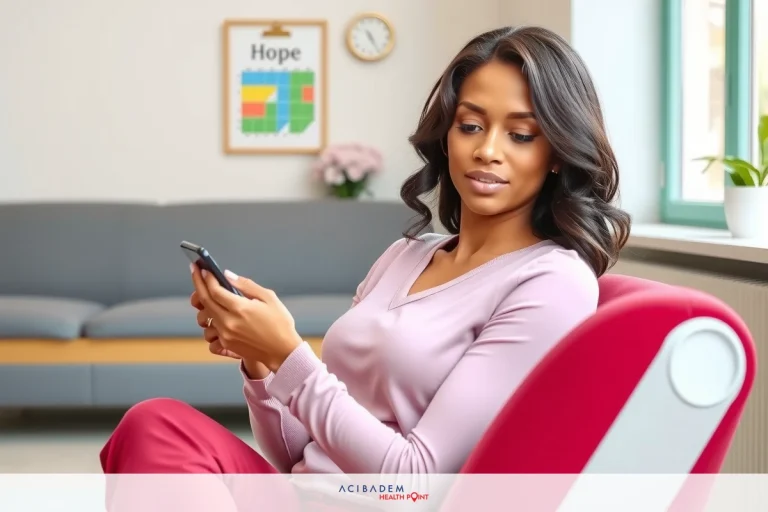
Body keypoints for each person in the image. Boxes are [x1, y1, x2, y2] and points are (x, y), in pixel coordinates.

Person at [101, 25, 630, 482]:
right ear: (446, 136)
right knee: (155, 423)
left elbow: (414, 479)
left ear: (558, 153)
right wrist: (261, 362)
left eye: (520, 134)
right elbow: (295, 457)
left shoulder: (551, 281)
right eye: (470, 125)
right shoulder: (406, 255)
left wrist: (291, 355)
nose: (487, 149)